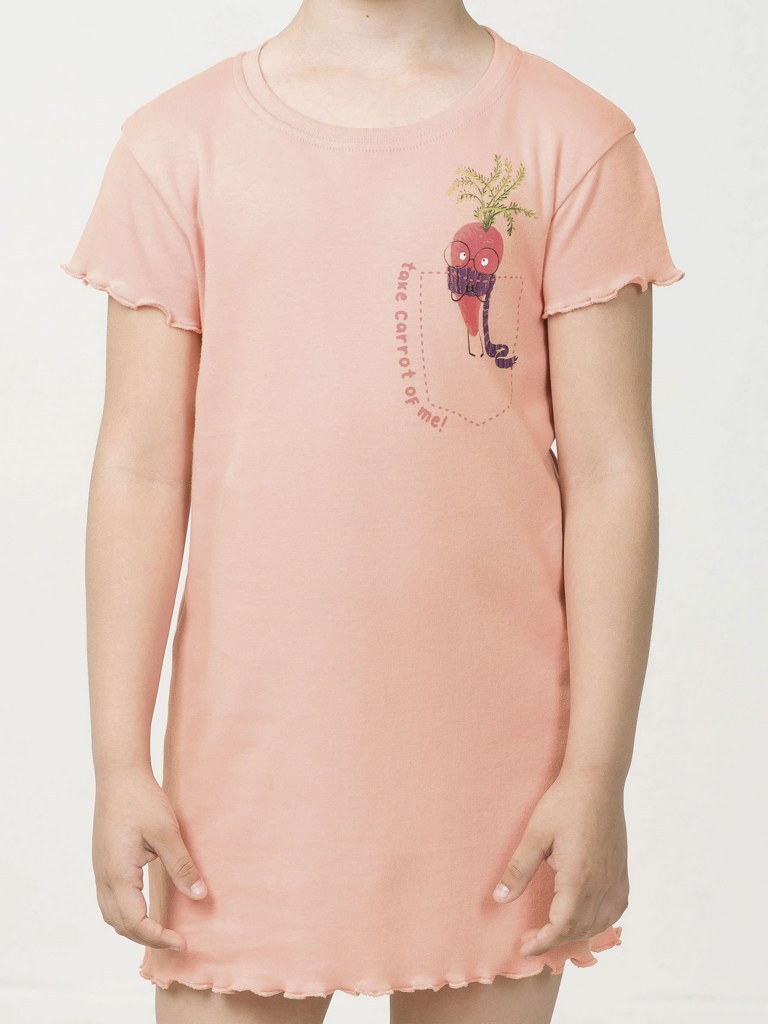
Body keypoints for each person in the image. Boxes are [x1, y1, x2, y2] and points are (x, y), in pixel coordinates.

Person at [62, 1, 684, 1021]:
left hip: (500, 769)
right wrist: (118, 760)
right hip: (249, 765)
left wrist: (596, 770)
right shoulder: (176, 146)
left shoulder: (573, 139)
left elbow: (612, 471)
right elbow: (140, 469)